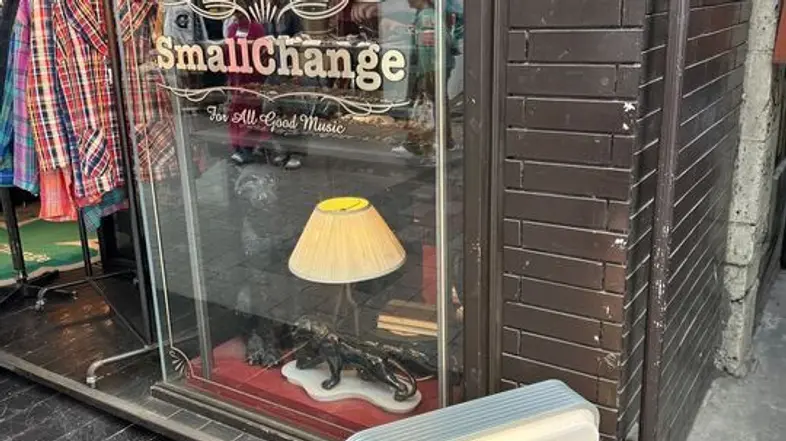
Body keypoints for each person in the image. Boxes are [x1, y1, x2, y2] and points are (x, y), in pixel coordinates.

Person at [226, 6, 269, 165]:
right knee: (236, 112)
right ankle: (238, 146)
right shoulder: (232, 27)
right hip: (236, 77)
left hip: (252, 77)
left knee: (251, 112)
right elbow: (227, 52)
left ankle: (249, 147)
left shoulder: (256, 28)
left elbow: (263, 54)